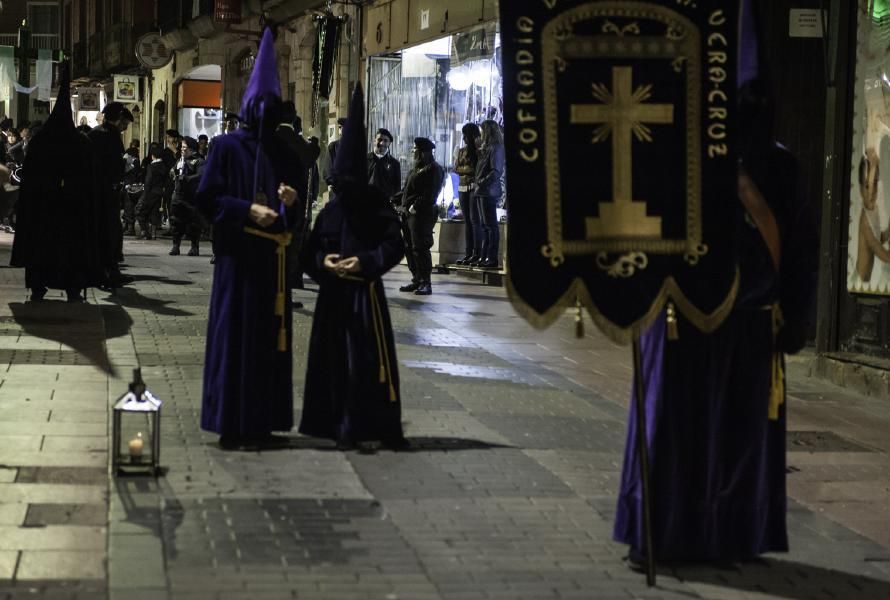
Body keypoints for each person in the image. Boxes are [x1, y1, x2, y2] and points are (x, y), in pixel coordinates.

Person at [613, 78, 818, 565]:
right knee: (737, 434)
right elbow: (802, 253)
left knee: (670, 426)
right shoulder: (779, 165)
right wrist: (796, 318)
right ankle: (730, 533)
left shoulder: (680, 156)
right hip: (745, 319)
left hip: (683, 317)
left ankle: (657, 530)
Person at [197, 27, 302, 449]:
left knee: (265, 344)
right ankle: (231, 423)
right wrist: (246, 211)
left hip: (271, 268)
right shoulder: (225, 148)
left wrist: (289, 204)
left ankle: (262, 423)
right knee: (234, 339)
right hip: (236, 263)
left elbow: (292, 213)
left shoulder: (284, 153)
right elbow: (207, 198)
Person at [299, 83, 407, 450]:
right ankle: (334, 422)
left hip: (365, 297)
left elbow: (394, 244)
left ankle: (366, 423)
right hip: (333, 297)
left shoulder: (375, 203)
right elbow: (311, 250)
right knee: (334, 361)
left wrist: (364, 262)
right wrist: (323, 262)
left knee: (365, 361)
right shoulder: (331, 209)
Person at [9, 62, 103, 302]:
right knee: (72, 249)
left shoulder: (41, 144)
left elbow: (30, 180)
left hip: (43, 209)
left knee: (42, 248)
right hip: (72, 211)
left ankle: (39, 287)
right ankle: (72, 288)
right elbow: (90, 182)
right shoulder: (80, 144)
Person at [275, 101, 320, 299]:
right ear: (292, 118)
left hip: (272, 197)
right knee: (291, 243)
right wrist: (315, 144)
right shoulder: (292, 138)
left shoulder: (269, 137)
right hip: (293, 200)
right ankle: (285, 290)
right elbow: (309, 157)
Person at [87, 101, 134, 289]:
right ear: (119, 119)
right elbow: (114, 164)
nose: (125, 128)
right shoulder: (110, 135)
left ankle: (107, 270)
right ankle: (108, 271)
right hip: (107, 191)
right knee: (109, 231)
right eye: (125, 124)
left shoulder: (95, 133)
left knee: (104, 230)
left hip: (97, 190)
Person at [396, 137, 445, 296]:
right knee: (409, 247)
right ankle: (416, 278)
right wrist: (396, 200)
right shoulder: (415, 169)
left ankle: (426, 282)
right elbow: (407, 190)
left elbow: (431, 193)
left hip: (421, 214)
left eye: (415, 150)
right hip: (408, 214)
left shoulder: (433, 169)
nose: (413, 152)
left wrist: (414, 207)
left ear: (424, 152)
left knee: (420, 248)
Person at [473, 120, 505, 269]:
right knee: (485, 225)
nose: (480, 134)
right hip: (482, 190)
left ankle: (491, 258)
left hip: (488, 191)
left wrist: (482, 181)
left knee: (491, 226)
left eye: (482, 131)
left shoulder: (496, 148)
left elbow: (496, 171)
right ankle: (485, 256)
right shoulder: (487, 148)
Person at [169, 136, 206, 256]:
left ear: (191, 149)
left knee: (194, 223)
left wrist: (186, 178)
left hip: (191, 197)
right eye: (182, 147)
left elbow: (201, 176)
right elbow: (173, 173)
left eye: (185, 147)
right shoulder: (180, 160)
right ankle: (175, 245)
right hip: (178, 196)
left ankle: (194, 247)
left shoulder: (199, 161)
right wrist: (174, 172)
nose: (182, 149)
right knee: (175, 221)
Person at [453, 123, 482, 265]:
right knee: (467, 222)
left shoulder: (478, 151)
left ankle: (477, 253)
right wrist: (467, 169)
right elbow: (456, 168)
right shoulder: (461, 151)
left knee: (474, 221)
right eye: (463, 135)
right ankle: (468, 253)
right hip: (462, 187)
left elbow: (475, 169)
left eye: (465, 135)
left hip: (473, 188)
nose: (463, 137)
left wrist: (464, 169)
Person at [135, 143, 166, 240]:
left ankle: (144, 232)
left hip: (150, 192)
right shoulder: (163, 166)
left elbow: (148, 181)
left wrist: (144, 196)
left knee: (141, 212)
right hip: (159, 192)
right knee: (154, 212)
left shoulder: (151, 167)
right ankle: (153, 234)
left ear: (153, 156)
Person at [367, 127, 401, 201]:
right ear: (374, 140)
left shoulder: (395, 164)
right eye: (379, 140)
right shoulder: (364, 159)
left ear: (389, 143)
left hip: (385, 205)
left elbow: (397, 188)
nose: (382, 143)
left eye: (385, 141)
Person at [323, 117, 347, 188]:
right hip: (336, 189)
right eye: (340, 127)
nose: (341, 130)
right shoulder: (333, 147)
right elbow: (327, 170)